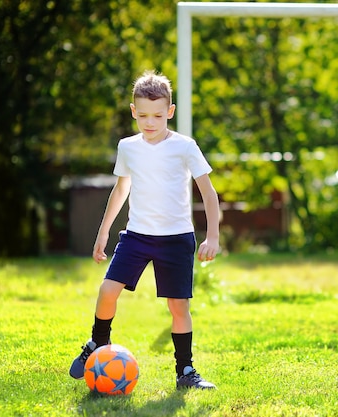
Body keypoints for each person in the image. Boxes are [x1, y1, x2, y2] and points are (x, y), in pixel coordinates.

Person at [69, 70, 220, 390]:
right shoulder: (128, 147)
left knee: (178, 307)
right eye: (143, 116)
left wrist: (212, 235)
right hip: (136, 236)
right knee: (107, 290)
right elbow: (120, 190)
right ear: (133, 111)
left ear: (170, 112)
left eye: (157, 115)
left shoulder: (185, 146)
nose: (150, 122)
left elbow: (208, 191)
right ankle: (97, 344)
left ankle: (186, 371)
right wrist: (103, 232)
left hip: (177, 239)